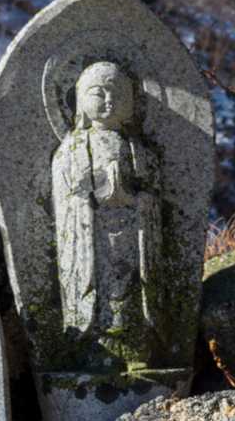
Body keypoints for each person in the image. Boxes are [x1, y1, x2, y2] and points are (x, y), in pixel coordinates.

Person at [51, 60, 162, 365]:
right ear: (80, 101)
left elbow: (151, 189)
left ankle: (135, 345)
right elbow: (65, 196)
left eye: (118, 94)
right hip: (91, 233)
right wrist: (86, 200)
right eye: (99, 93)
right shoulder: (72, 148)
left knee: (131, 287)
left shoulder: (137, 148)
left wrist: (141, 201)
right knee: (98, 290)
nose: (109, 101)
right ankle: (95, 349)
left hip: (133, 230)